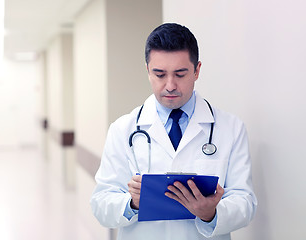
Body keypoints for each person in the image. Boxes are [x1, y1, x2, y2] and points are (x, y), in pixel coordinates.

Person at [90, 23, 257, 240]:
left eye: (180, 74)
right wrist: (132, 203)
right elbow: (101, 203)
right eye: (160, 74)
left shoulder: (230, 128)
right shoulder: (123, 129)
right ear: (148, 71)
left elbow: (246, 202)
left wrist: (211, 214)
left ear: (197, 70)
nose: (170, 85)